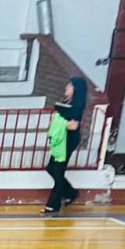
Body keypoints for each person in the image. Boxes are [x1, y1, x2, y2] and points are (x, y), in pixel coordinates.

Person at [44, 77, 88, 216]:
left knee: (58, 171)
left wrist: (59, 122)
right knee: (51, 168)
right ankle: (70, 193)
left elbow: (73, 125)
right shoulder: (65, 103)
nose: (66, 88)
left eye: (69, 86)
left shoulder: (77, 105)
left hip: (69, 140)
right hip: (60, 139)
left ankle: (53, 204)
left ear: (76, 89)